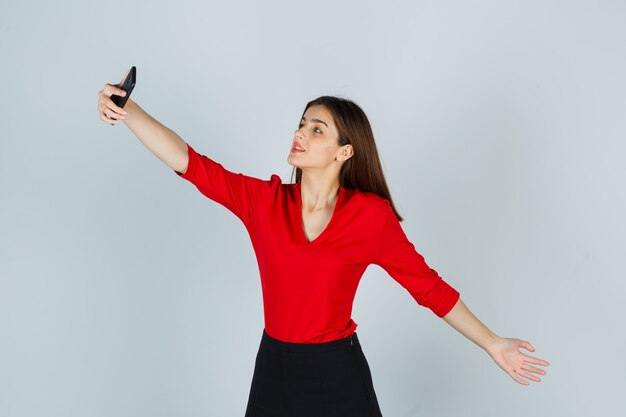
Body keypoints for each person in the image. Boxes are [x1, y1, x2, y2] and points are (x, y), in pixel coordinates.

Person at [97, 80, 550, 417]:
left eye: (317, 129)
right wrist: (130, 110)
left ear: (344, 152)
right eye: (301, 124)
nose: (301, 134)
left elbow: (428, 288)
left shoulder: (370, 217)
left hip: (338, 375)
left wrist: (494, 344)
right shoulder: (264, 203)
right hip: (275, 368)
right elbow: (190, 163)